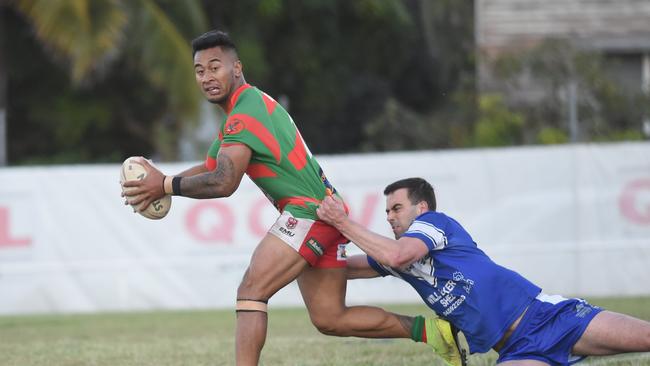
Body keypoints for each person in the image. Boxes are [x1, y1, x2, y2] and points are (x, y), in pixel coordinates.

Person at [121, 30, 465, 366]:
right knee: (330, 317)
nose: (207, 76)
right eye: (199, 70)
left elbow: (224, 182)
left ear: (236, 68)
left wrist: (164, 185)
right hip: (326, 213)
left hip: (310, 213)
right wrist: (158, 182)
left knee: (251, 292)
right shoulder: (249, 107)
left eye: (215, 66)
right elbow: (211, 167)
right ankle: (432, 331)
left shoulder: (244, 115)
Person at [316, 177, 650, 365]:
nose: (389, 216)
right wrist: (309, 250)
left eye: (397, 208)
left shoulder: (433, 224)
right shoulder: (392, 255)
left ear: (421, 208)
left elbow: (399, 255)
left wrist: (342, 221)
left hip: (549, 319)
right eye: (387, 210)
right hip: (515, 350)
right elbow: (341, 269)